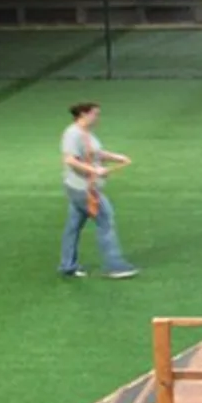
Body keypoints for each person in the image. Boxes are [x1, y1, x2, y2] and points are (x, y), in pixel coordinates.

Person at [59, 102, 138, 279]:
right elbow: (70, 160)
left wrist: (115, 157)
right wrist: (94, 170)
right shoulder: (73, 134)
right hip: (84, 189)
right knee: (106, 221)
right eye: (95, 114)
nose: (97, 118)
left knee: (73, 227)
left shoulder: (85, 133)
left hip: (81, 187)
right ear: (83, 114)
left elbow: (95, 153)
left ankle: (68, 265)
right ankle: (115, 266)